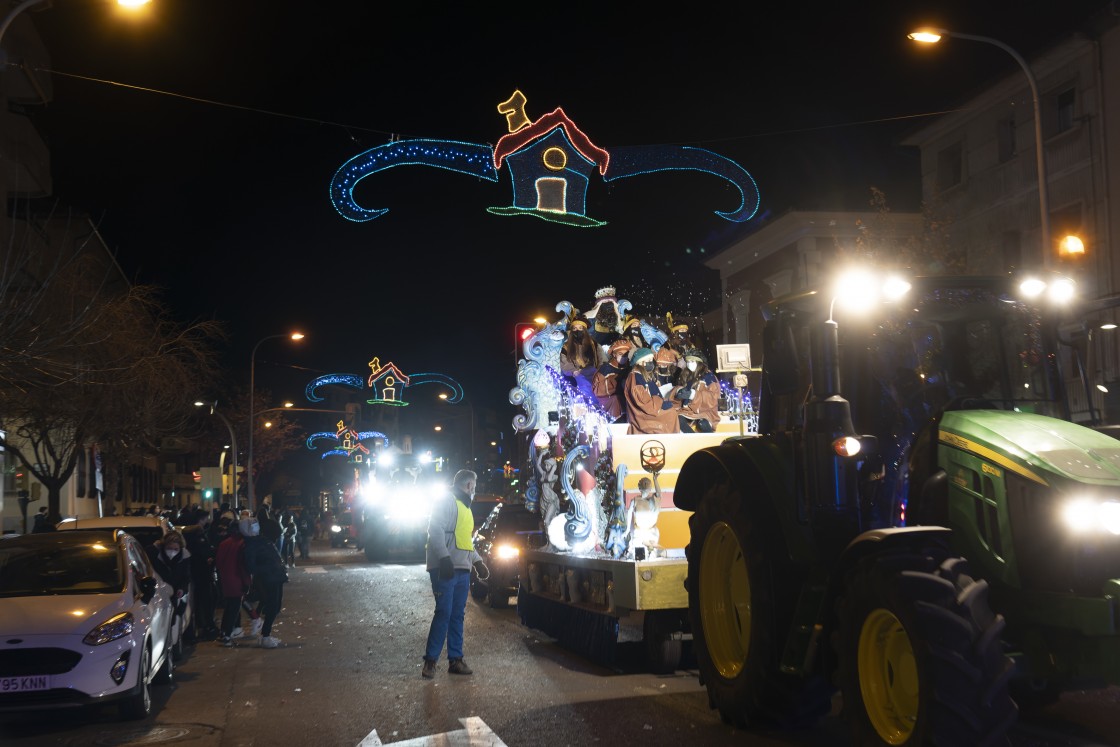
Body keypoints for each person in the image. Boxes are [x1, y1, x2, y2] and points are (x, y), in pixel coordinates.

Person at [421, 469, 488, 679]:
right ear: (468, 486)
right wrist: (443, 558)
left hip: (461, 567)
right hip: (445, 567)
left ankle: (455, 660)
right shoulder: (446, 501)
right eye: (474, 487)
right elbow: (435, 530)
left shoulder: (465, 507)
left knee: (457, 615)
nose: (475, 490)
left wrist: (477, 561)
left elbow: (465, 540)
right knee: (444, 612)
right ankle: (430, 662)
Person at [242, 516, 288, 648]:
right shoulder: (252, 544)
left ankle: (266, 635)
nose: (256, 527)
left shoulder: (260, 540)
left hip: (275, 576)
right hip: (269, 578)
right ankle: (265, 636)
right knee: (272, 607)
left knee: (275, 606)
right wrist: (269, 568)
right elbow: (251, 566)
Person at [181, 508, 220, 640]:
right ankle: (206, 627)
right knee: (205, 601)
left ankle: (202, 626)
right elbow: (204, 554)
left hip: (197, 575)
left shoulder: (188, 534)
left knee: (201, 602)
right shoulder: (197, 534)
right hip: (202, 575)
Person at [623, 348, 681, 435]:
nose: (651, 363)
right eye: (649, 360)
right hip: (643, 416)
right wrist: (660, 405)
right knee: (671, 414)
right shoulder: (636, 377)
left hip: (651, 408)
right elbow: (643, 402)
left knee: (675, 409)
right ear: (640, 361)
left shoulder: (642, 375)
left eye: (651, 360)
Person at [146, 530, 192, 633]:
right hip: (157, 596)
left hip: (174, 595)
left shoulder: (184, 557)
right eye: (169, 548)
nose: (172, 551)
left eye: (175, 549)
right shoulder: (155, 555)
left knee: (171, 623)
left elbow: (186, 577)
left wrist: (181, 589)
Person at [214, 518, 251, 646]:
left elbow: (218, 562)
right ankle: (227, 635)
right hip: (237, 580)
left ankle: (224, 632)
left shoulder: (224, 543)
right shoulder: (242, 544)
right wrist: (247, 583)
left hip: (225, 579)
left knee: (229, 607)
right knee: (234, 609)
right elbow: (243, 566)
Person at [673, 350, 722, 433]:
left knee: (702, 423)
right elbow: (678, 388)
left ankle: (711, 441)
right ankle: (693, 438)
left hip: (705, 410)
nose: (689, 364)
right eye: (688, 362)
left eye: (692, 361)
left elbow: (714, 397)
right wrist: (679, 392)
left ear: (699, 363)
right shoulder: (686, 375)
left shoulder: (709, 377)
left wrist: (693, 395)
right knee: (678, 419)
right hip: (687, 410)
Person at [592, 338, 631, 422]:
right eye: (620, 354)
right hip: (608, 399)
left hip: (625, 397)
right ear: (614, 354)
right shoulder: (605, 368)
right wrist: (615, 382)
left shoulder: (629, 367)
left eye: (625, 355)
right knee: (617, 400)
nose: (623, 357)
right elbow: (597, 389)